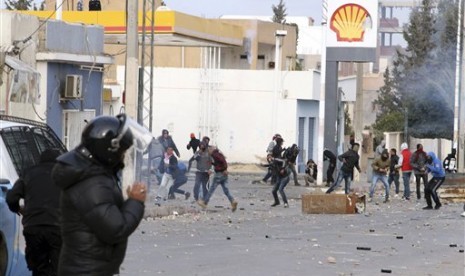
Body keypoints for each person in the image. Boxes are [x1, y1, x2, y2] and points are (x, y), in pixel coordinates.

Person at [51, 114, 149, 275]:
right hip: (87, 270)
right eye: (122, 151)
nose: (123, 156)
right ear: (109, 150)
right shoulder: (91, 183)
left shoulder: (90, 174)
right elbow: (116, 229)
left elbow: (104, 215)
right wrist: (135, 202)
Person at [6, 149, 62, 276]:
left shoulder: (28, 173)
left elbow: (11, 198)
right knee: (58, 268)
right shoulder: (64, 175)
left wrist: (18, 209)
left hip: (33, 228)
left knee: (38, 269)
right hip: (58, 228)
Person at [197, 147, 238, 212]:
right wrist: (213, 164)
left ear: (211, 150)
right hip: (224, 175)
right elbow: (219, 163)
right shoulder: (218, 154)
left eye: (209, 150)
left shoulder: (215, 154)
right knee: (226, 190)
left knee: (211, 189)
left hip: (219, 174)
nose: (208, 152)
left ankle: (205, 202)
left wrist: (224, 168)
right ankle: (233, 201)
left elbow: (223, 162)